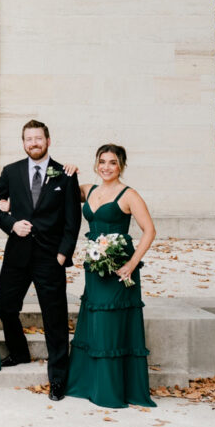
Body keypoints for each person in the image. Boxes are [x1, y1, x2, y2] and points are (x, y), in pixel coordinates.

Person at [0, 119, 81, 401]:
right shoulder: (11, 171)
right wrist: (11, 223)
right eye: (28, 139)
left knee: (55, 317)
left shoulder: (65, 175)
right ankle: (19, 352)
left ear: (48, 141)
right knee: (4, 305)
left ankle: (58, 378)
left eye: (38, 138)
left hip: (51, 257)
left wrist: (65, 252)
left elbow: (72, 220)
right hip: (18, 252)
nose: (33, 143)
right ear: (23, 142)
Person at [66, 144, 156, 408]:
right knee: (95, 321)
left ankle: (112, 390)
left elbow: (149, 230)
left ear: (121, 166)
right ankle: (90, 384)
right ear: (96, 164)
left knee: (112, 324)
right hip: (95, 267)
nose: (106, 167)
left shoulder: (129, 195)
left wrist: (132, 263)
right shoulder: (87, 190)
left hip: (119, 268)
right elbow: (51, 191)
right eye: (102, 162)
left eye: (113, 163)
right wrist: (68, 172)